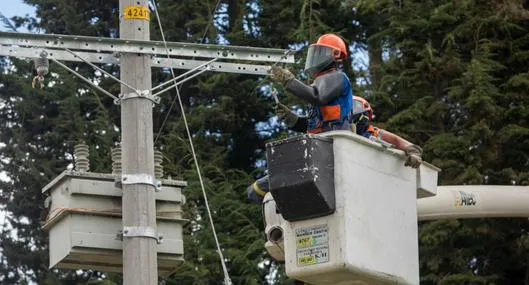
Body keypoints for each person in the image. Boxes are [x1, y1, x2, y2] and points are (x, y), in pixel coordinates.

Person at [247, 33, 353, 204]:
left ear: (334, 55)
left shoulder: (337, 77)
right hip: (320, 145)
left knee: (267, 184)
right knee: (261, 188)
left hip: (331, 146)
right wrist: (293, 119)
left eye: (321, 53)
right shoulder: (321, 83)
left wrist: (288, 81)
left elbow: (316, 96)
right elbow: (313, 124)